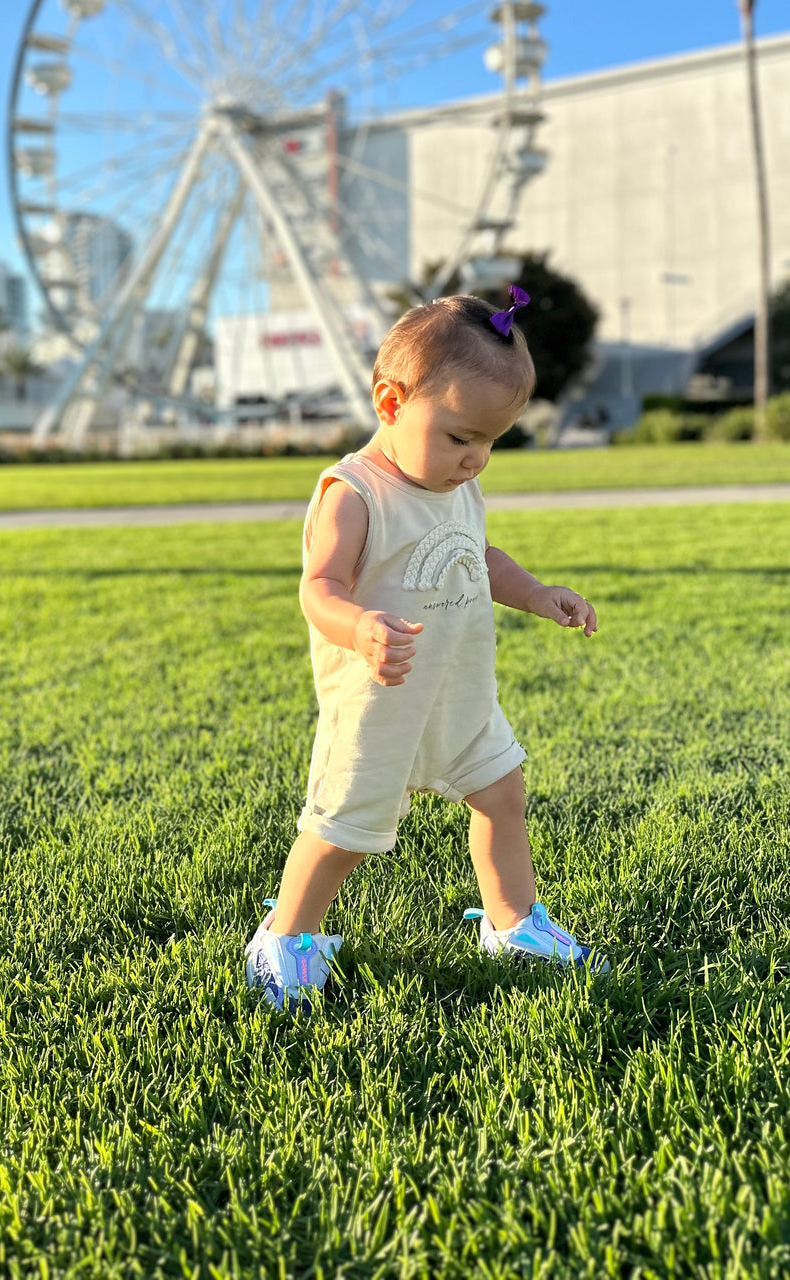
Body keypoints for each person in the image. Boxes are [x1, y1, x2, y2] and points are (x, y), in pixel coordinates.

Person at [245, 290, 609, 1013]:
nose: (474, 459)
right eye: (457, 436)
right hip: (379, 702)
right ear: (390, 402)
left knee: (502, 795)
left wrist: (536, 592)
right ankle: (286, 939)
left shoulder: (453, 484)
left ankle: (512, 926)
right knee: (344, 830)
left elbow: (478, 555)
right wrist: (359, 628)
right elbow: (319, 587)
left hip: (458, 691)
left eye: (490, 442)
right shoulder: (355, 493)